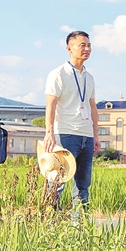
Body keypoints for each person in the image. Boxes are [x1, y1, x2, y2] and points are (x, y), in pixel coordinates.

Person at [43, 31, 101, 210]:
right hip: (65, 134)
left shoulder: (89, 77)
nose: (87, 49)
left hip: (86, 135)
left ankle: (80, 222)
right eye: (82, 45)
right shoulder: (58, 74)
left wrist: (96, 135)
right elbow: (51, 105)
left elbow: (92, 107)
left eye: (89, 45)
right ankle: (51, 220)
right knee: (57, 181)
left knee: (83, 185)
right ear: (69, 48)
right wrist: (49, 133)